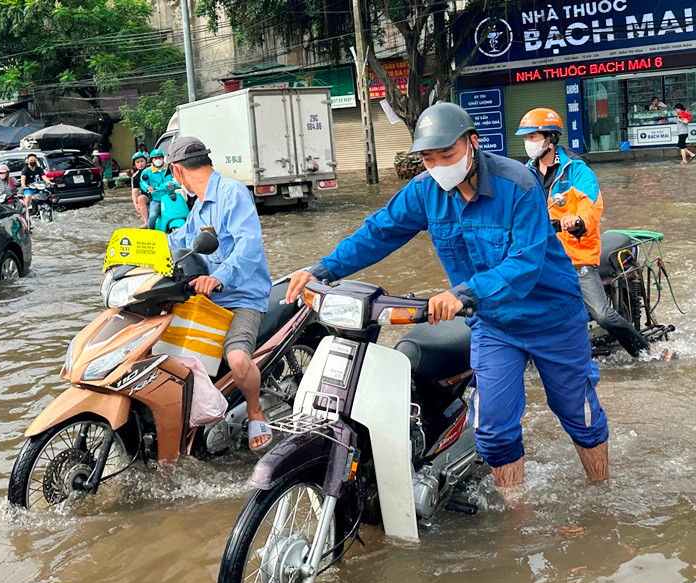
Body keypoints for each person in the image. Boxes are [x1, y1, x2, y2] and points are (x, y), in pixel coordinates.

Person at [285, 102, 610, 492]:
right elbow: (379, 232)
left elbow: (524, 263)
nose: (438, 165)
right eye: (428, 157)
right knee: (493, 429)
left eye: (447, 153)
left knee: (578, 415)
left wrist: (462, 293)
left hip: (551, 318)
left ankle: (601, 494)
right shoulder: (425, 191)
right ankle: (516, 515)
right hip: (493, 323)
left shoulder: (518, 185)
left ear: (473, 143)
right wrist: (322, 270)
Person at [517, 108, 653, 359]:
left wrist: (577, 220)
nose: (528, 143)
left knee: (602, 314)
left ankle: (646, 351)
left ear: (550, 138)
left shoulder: (577, 171)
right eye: (526, 138)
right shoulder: (526, 173)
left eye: (533, 137)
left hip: (575, 256)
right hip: (541, 255)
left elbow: (590, 204)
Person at [165, 136, 274, 449]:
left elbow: (249, 246)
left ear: (176, 170)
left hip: (243, 297)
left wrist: (219, 277)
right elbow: (179, 242)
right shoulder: (198, 209)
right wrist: (137, 253)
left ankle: (255, 410)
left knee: (237, 358)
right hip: (207, 300)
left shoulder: (232, 193)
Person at [139, 149, 173, 229]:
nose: (158, 160)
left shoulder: (169, 169)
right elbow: (143, 182)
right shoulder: (147, 171)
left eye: (159, 158)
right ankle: (151, 230)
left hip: (170, 196)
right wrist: (148, 188)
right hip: (156, 198)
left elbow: (175, 180)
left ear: (163, 158)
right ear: (152, 160)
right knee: (153, 216)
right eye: (155, 158)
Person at [129, 151, 149, 226]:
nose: (140, 164)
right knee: (140, 199)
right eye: (137, 162)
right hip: (148, 197)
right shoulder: (135, 177)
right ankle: (146, 222)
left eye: (142, 161)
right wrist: (136, 204)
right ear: (135, 165)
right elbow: (135, 192)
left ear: (146, 161)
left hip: (159, 193)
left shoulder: (152, 169)